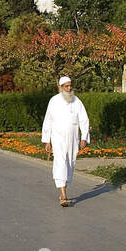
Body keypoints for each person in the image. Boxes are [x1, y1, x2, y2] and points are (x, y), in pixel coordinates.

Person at [41, 75, 89, 207]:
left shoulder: (76, 101)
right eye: (66, 86)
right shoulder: (54, 101)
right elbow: (48, 121)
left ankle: (64, 188)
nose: (69, 88)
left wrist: (84, 137)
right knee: (60, 161)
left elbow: (84, 119)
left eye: (70, 85)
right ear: (60, 87)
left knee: (70, 163)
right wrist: (47, 141)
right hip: (58, 138)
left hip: (73, 138)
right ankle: (63, 195)